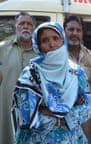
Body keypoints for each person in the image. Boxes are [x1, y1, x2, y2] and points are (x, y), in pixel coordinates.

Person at [11, 21, 91, 143]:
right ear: (38, 45)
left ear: (63, 41)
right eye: (45, 40)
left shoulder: (76, 71)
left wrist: (49, 111)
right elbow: (27, 115)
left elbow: (89, 106)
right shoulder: (30, 74)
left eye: (56, 38)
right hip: (38, 139)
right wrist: (69, 107)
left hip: (72, 138)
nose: (51, 44)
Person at [0, 11, 36, 144]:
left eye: (29, 24)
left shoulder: (41, 53)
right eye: (22, 23)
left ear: (33, 28)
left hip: (33, 115)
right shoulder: (2, 48)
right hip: (6, 111)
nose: (25, 26)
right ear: (15, 27)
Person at [63, 15, 91, 144]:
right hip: (65, 117)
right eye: (71, 29)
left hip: (87, 118)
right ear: (64, 31)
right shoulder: (56, 55)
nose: (75, 33)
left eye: (78, 30)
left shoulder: (89, 55)